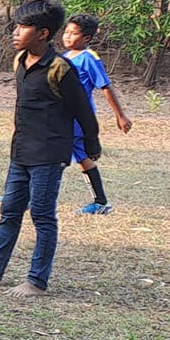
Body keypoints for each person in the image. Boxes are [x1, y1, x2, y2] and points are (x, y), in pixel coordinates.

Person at [0, 0, 102, 296]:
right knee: (10, 212)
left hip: (49, 154)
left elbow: (84, 112)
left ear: (43, 34)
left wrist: (91, 145)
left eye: (23, 27)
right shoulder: (20, 61)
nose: (15, 32)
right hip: (22, 151)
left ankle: (37, 281)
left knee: (42, 216)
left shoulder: (60, 68)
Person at [61, 15, 132, 214]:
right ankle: (100, 202)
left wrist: (120, 116)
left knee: (54, 154)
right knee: (82, 157)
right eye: (66, 31)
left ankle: (30, 196)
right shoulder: (66, 57)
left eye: (73, 33)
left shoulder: (88, 58)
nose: (67, 36)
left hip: (78, 117)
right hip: (64, 115)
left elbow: (105, 86)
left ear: (87, 38)